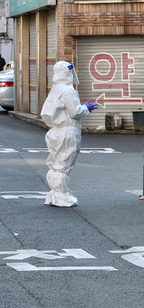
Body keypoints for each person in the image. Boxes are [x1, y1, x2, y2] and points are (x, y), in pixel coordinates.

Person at [40, 61, 98, 207]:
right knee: (64, 163)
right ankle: (61, 195)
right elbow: (75, 112)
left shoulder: (55, 89)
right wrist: (86, 108)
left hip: (55, 131)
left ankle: (56, 192)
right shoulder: (68, 90)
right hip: (67, 131)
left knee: (56, 163)